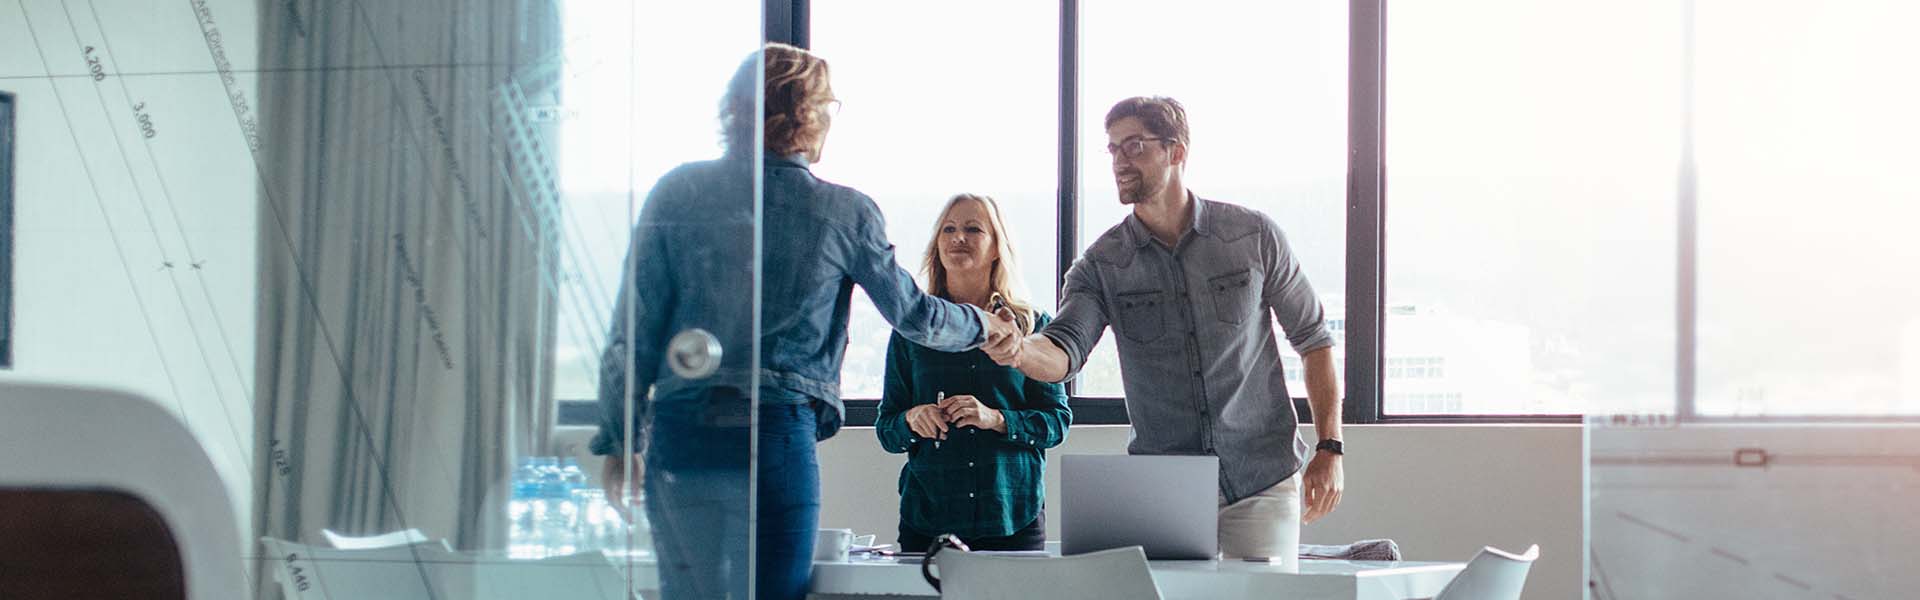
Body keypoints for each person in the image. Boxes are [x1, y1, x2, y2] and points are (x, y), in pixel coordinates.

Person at [589, 44, 1024, 600]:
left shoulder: (678, 191)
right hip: (777, 431)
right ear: (810, 114)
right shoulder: (844, 211)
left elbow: (632, 331)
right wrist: (985, 325)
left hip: (684, 432)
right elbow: (914, 315)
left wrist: (620, 437)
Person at [983, 96, 1345, 567]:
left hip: (1263, 477)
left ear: (1176, 151)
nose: (1119, 161)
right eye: (1113, 149)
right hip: (1164, 489)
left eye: (1134, 145)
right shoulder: (1102, 264)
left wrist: (1330, 447)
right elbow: (1063, 351)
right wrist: (1018, 350)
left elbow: (1314, 340)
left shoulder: (1253, 236)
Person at [875, 193, 1070, 553]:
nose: (958, 238)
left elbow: (1056, 423)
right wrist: (912, 419)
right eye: (948, 229)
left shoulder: (1032, 326)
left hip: (1013, 517)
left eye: (973, 229)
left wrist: (996, 419)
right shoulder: (911, 332)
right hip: (929, 519)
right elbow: (887, 429)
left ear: (997, 247)